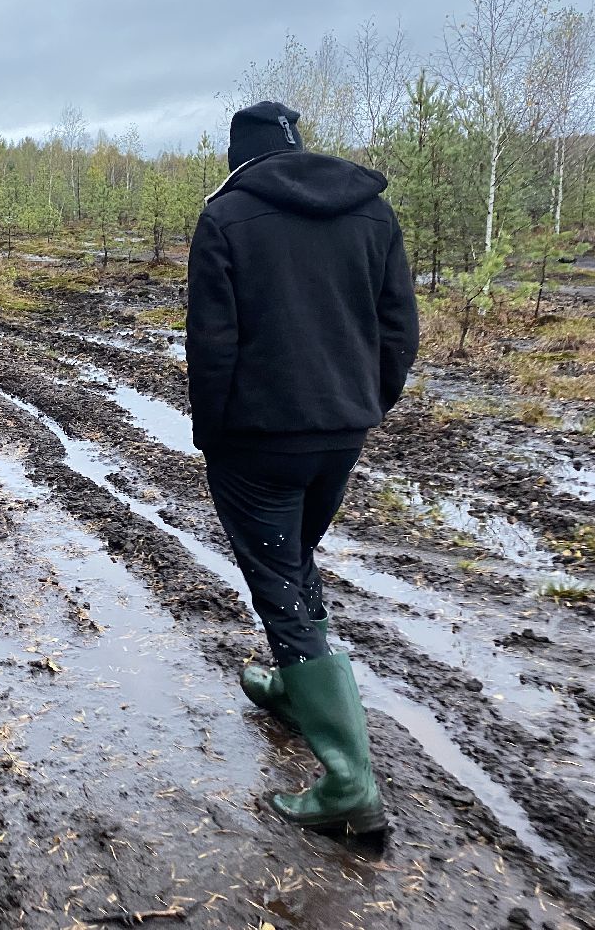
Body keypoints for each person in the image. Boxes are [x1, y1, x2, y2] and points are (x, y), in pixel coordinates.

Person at [186, 101, 418, 838]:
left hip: (257, 439)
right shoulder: (373, 213)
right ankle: (292, 685)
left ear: (239, 157)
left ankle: (350, 784)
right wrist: (364, 403)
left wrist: (213, 435)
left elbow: (213, 341)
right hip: (340, 431)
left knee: (279, 581)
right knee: (295, 558)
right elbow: (398, 328)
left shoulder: (227, 217)